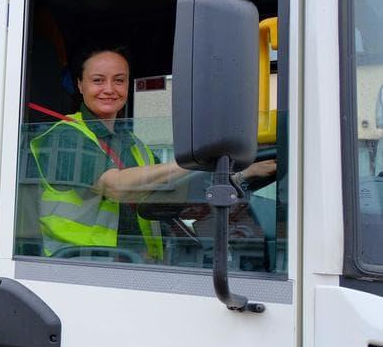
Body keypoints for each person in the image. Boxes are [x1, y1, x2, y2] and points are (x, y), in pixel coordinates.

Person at [31, 47, 275, 261]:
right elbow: (114, 186)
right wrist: (192, 159)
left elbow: (175, 191)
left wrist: (241, 174)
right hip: (79, 269)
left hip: (135, 263)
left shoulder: (135, 144)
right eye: (98, 80)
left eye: (119, 80)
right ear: (80, 85)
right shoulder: (63, 136)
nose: (109, 89)